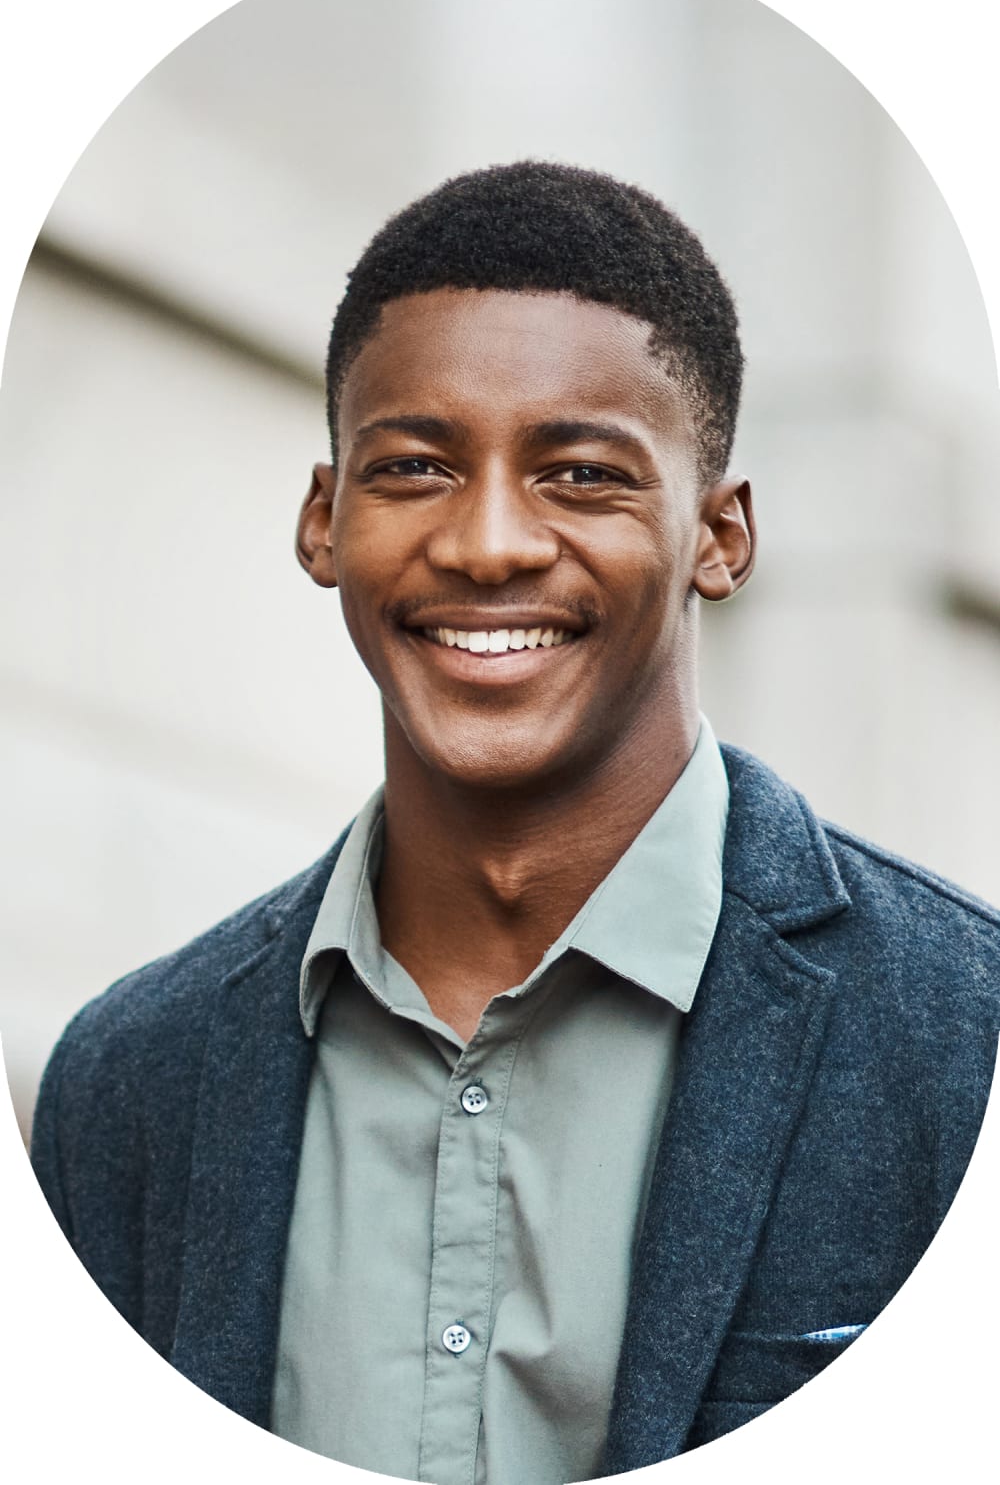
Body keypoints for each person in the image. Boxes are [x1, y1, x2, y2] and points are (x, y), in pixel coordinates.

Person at [30, 162, 1000, 1483]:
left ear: (718, 536)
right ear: (327, 522)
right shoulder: (125, 1085)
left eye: (582, 475)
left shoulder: (962, 1034)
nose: (488, 543)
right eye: (416, 467)